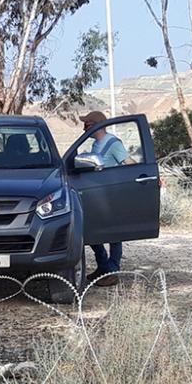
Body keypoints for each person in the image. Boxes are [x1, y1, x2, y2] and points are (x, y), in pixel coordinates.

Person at [79, 110, 130, 287]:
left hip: (112, 195)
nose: (84, 128)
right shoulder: (96, 145)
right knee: (94, 232)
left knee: (114, 234)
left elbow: (128, 163)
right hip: (98, 196)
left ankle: (112, 271)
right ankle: (103, 266)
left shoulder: (113, 143)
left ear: (96, 126)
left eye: (87, 125)